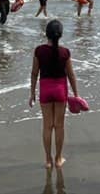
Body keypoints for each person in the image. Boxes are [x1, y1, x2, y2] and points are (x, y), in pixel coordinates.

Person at [30, 19, 80, 169]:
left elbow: (34, 73)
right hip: (60, 91)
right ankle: (58, 159)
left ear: (47, 34)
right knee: (59, 126)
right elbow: (71, 75)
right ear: (61, 35)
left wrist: (32, 93)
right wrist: (76, 94)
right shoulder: (65, 52)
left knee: (47, 126)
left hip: (45, 90)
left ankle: (47, 160)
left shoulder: (39, 51)